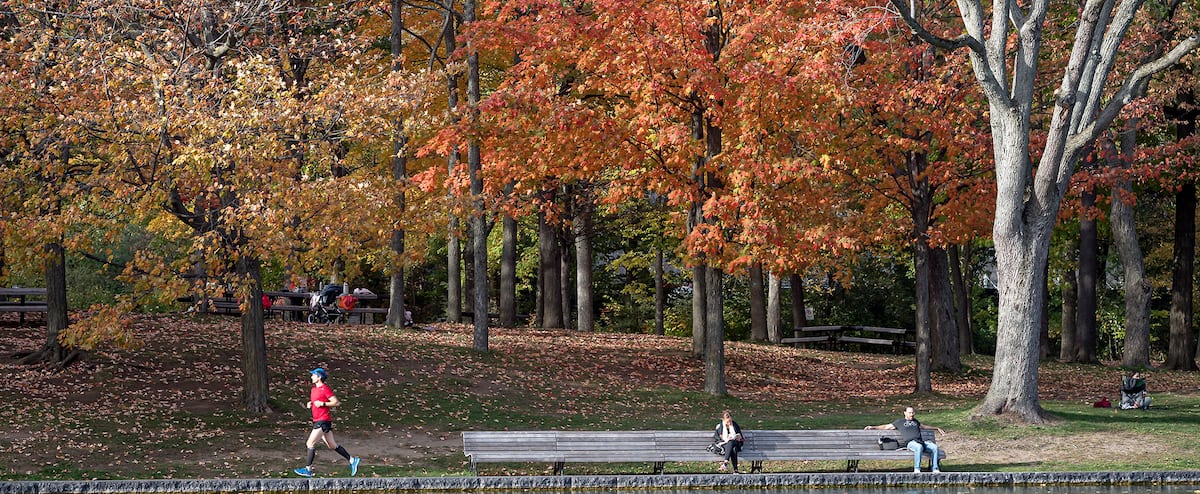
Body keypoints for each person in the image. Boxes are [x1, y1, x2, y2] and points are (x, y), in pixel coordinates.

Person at [294, 368, 361, 477]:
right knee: (332, 445)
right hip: (318, 419)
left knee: (310, 443)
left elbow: (336, 402)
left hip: (323, 420)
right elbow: (316, 400)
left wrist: (323, 404)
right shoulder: (313, 390)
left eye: (313, 375)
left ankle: (308, 470)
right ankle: (352, 460)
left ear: (319, 377)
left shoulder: (325, 389)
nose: (311, 377)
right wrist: (311, 403)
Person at [865, 406, 945, 473]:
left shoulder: (916, 421)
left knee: (934, 447)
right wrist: (873, 427)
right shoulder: (900, 422)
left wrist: (936, 428)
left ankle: (935, 469)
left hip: (921, 442)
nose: (912, 414)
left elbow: (924, 427)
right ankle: (917, 469)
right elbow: (886, 426)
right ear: (905, 413)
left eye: (913, 413)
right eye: (910, 413)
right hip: (911, 443)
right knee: (918, 447)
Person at [712, 409, 744, 474]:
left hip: (736, 443)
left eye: (730, 421)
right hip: (724, 445)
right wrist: (725, 440)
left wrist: (739, 437)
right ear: (723, 420)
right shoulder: (720, 427)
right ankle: (735, 470)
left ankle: (725, 463)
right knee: (733, 449)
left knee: (731, 442)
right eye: (727, 422)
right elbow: (716, 438)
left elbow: (740, 436)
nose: (729, 423)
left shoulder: (735, 425)